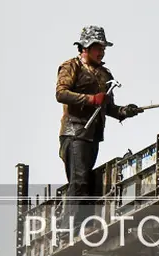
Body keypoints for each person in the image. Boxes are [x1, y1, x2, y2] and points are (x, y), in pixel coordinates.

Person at [55, 25, 141, 223]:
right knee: (79, 180)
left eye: (103, 48)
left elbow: (108, 107)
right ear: (85, 48)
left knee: (85, 179)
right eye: (98, 47)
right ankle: (71, 228)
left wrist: (124, 111)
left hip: (93, 135)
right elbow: (61, 94)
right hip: (75, 132)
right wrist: (91, 99)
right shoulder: (71, 66)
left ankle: (81, 224)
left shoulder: (104, 74)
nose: (102, 52)